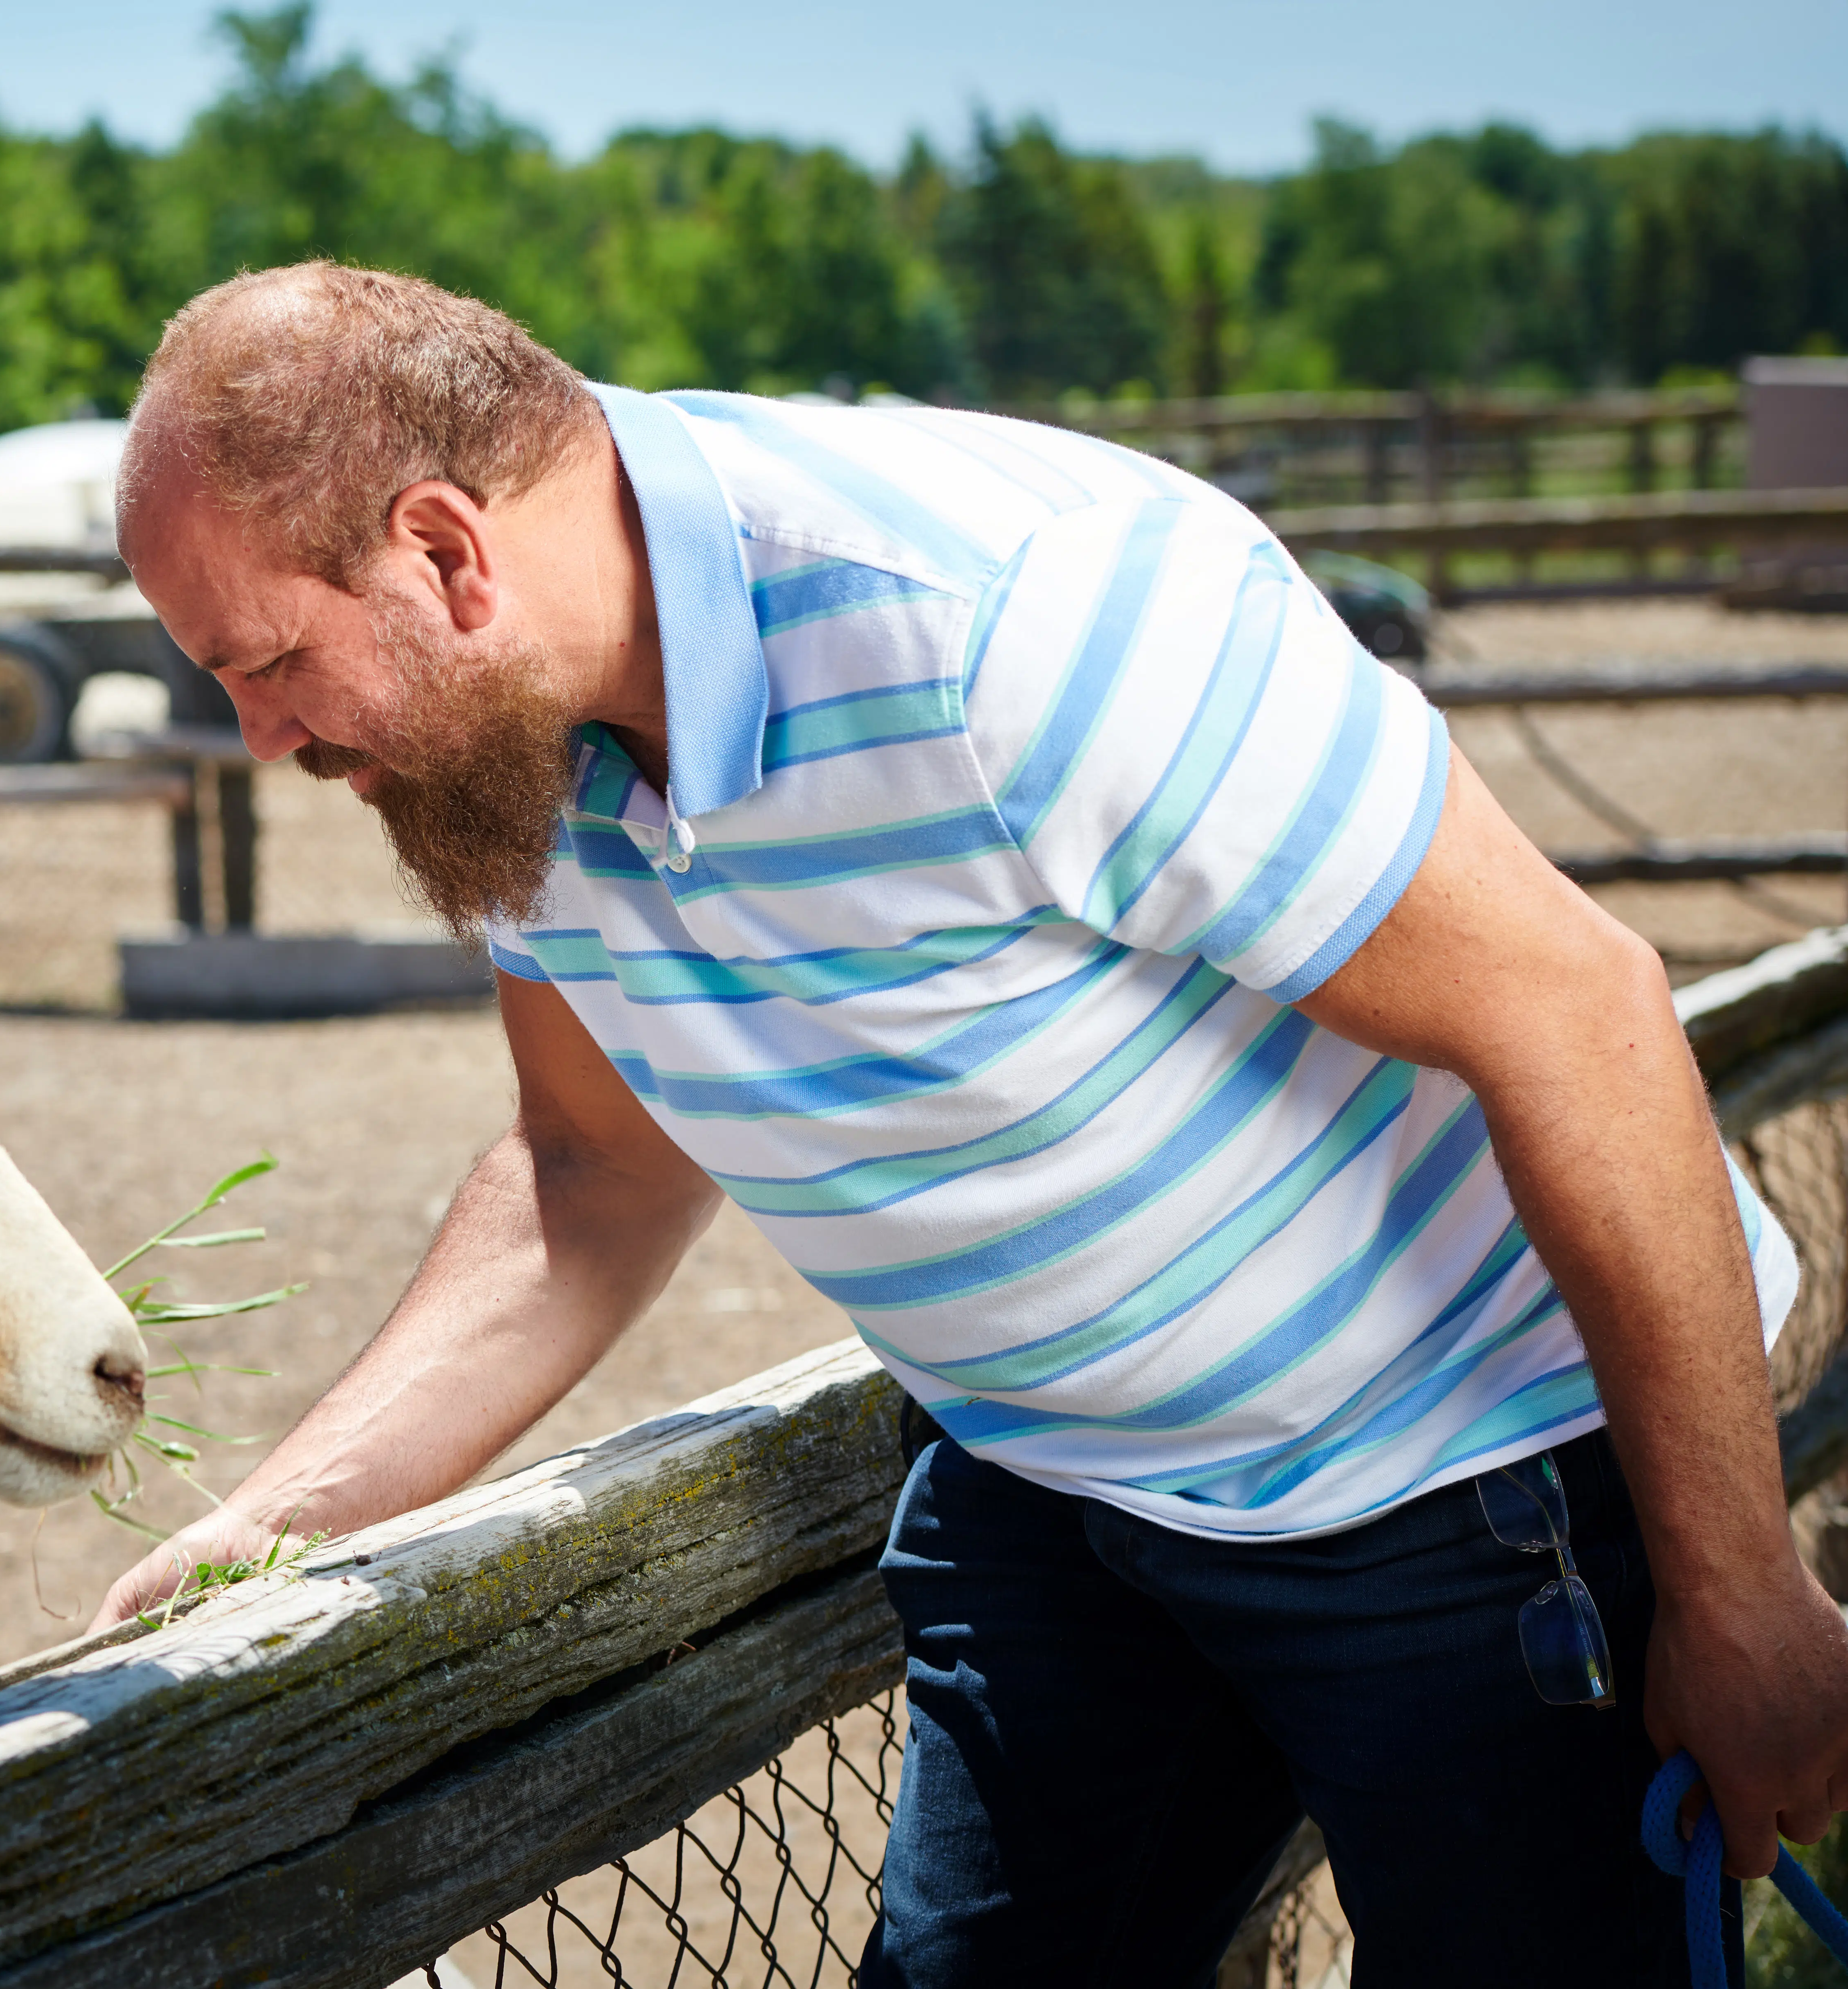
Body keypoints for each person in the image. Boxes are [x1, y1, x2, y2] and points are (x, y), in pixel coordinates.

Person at [90, 261, 1848, 1984]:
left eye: (264, 661)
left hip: (1454, 1486)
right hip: (1057, 1498)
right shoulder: (498, 750)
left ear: (447, 550)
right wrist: (282, 1520)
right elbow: (590, 1168)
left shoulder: (1023, 613)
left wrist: (1742, 1598)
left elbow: (1583, 1015)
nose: (257, 737)